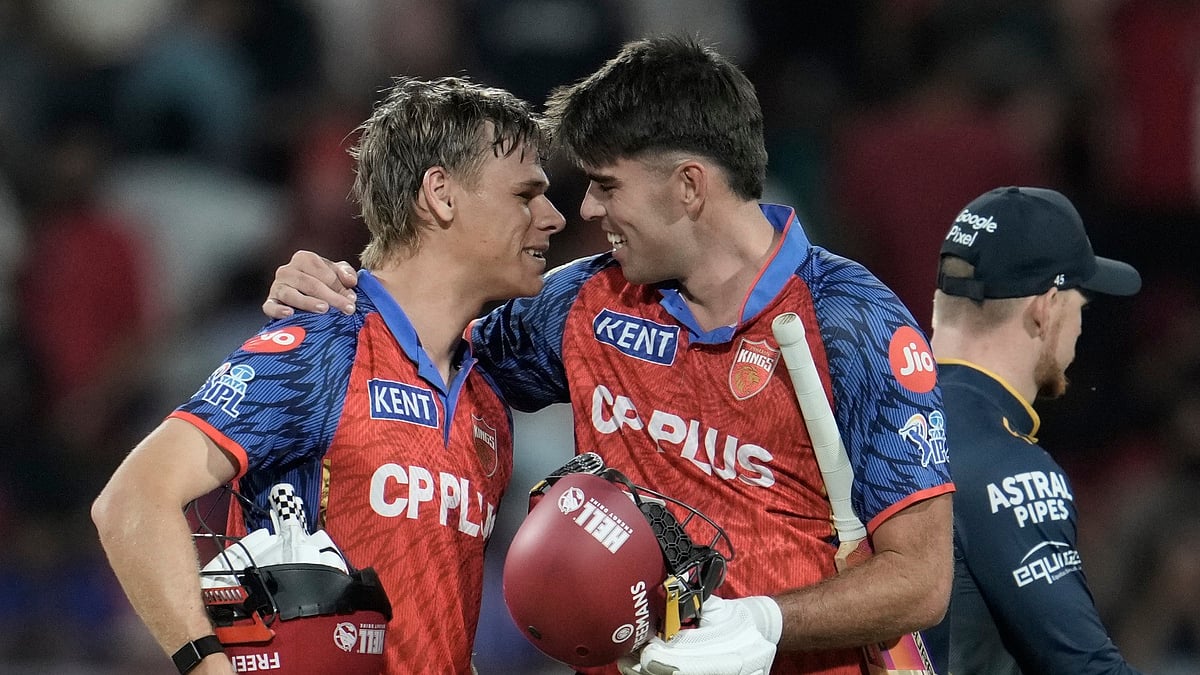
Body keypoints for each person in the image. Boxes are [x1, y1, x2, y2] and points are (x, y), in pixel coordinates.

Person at [266, 35, 954, 675]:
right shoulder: (586, 305)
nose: (587, 209)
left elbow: (921, 581)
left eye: (608, 184)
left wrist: (762, 621)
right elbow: (420, 347)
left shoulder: (851, 322)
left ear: (688, 186)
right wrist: (338, 293)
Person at [91, 75, 566, 675]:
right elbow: (133, 500)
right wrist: (207, 666)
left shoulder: (485, 395)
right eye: (526, 194)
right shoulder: (321, 345)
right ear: (441, 195)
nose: (552, 216)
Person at [920, 186, 1145, 673]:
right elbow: (1086, 666)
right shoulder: (1006, 466)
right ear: (1045, 308)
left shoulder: (869, 410)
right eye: (1080, 307)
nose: (1081, 329)